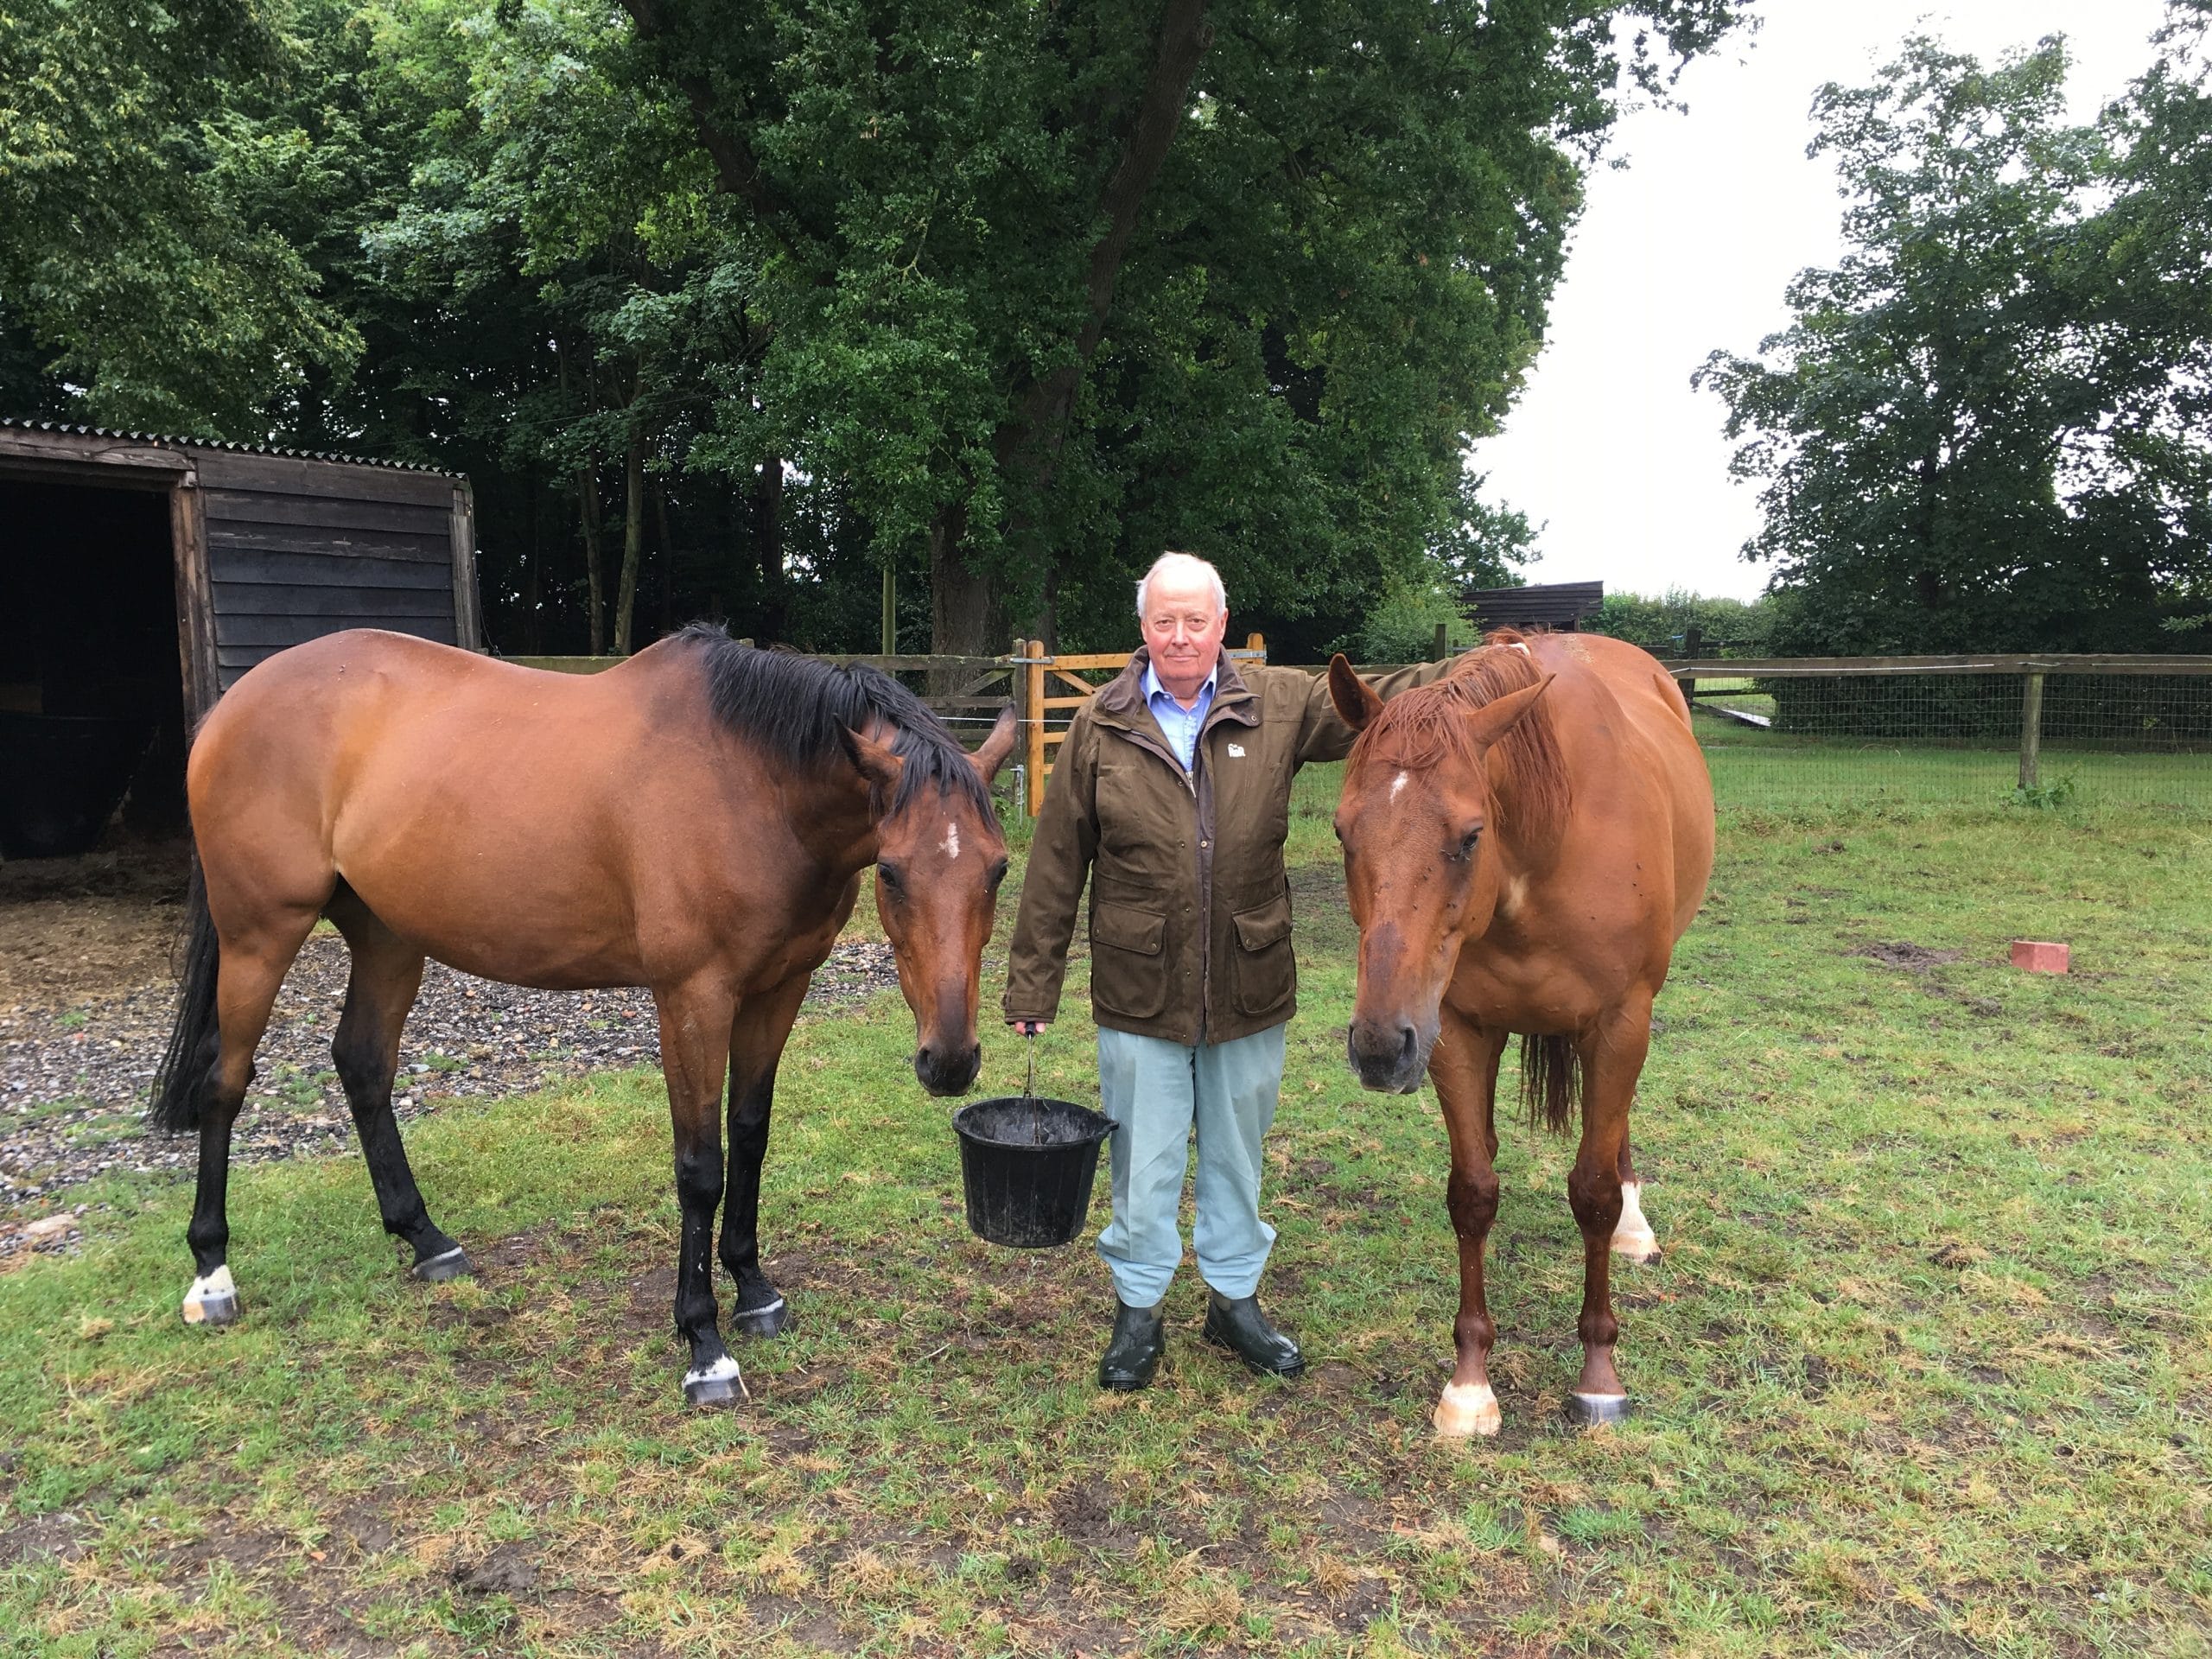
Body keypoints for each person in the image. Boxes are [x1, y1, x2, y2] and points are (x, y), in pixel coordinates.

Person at [1003, 552, 1448, 1389]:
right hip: (1139, 987)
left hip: (1249, 981)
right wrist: (1033, 984)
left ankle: (1233, 1302)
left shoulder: (1279, 703)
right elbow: (1057, 860)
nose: (1180, 635)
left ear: (1220, 625)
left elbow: (1388, 696)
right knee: (1143, 1159)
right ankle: (1138, 1312)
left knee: (1237, 1155)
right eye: (1164, 620)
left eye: (1195, 620)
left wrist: (1489, 669)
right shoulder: (1101, 724)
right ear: (1143, 628)